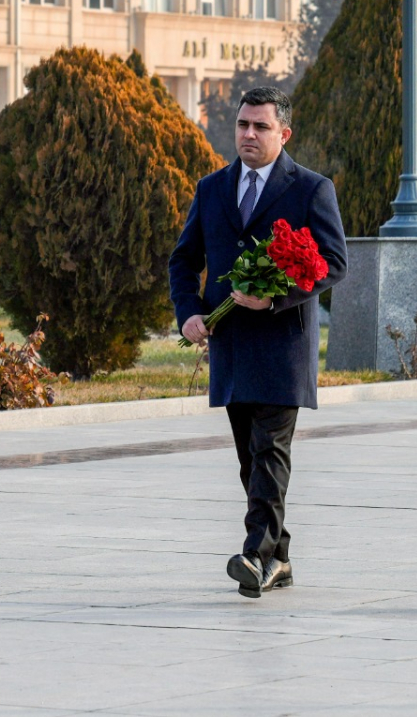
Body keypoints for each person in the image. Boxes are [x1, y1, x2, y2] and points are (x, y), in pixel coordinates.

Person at [169, 86, 347, 598]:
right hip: (230, 345)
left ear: (283, 134)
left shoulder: (311, 189)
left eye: (261, 126)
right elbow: (184, 260)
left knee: (269, 450)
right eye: (243, 125)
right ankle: (280, 557)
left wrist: (274, 297)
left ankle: (255, 555)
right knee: (251, 459)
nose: (249, 134)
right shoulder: (211, 188)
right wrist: (189, 313)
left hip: (282, 345)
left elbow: (334, 263)